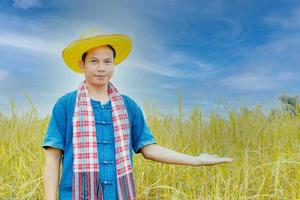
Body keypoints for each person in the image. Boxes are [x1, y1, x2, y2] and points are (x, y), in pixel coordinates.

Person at [42, 29, 234, 200]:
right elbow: (53, 157)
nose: (102, 68)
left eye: (107, 61)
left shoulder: (128, 106)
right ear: (82, 64)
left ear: (114, 64)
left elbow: (148, 148)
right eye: (94, 61)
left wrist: (196, 160)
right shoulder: (66, 105)